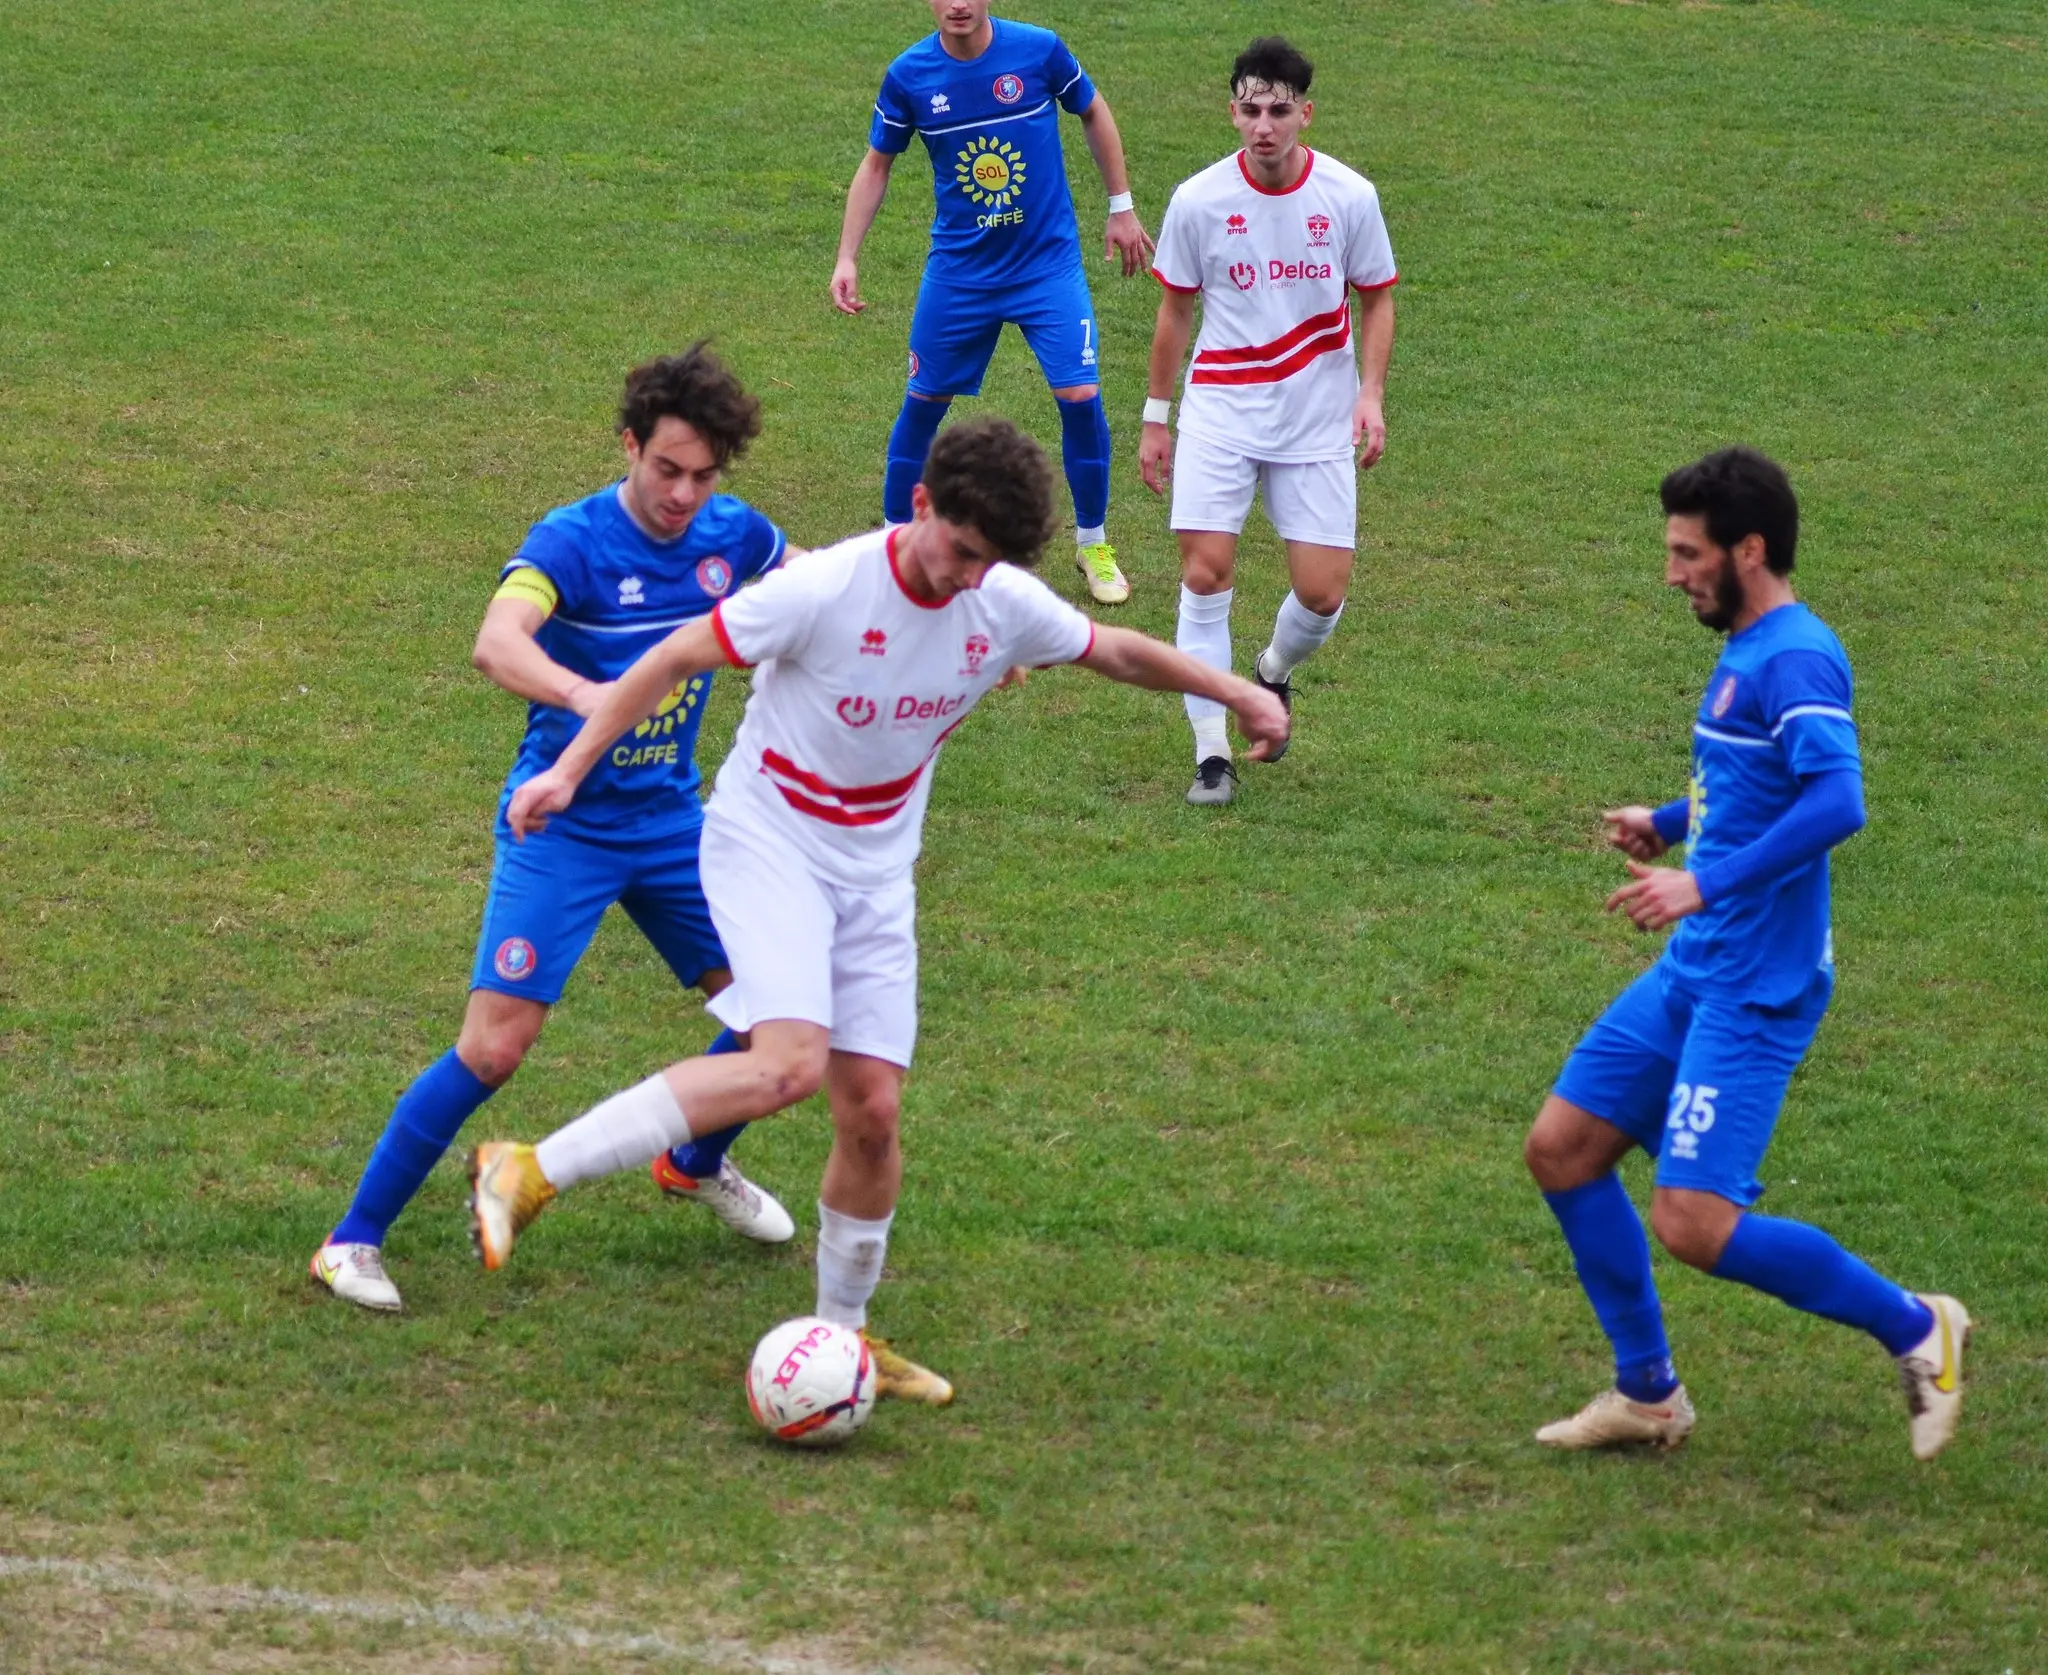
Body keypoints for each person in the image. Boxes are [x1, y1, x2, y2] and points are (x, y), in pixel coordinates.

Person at [464, 416, 1287, 1403]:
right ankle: (528, 1166)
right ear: (922, 505)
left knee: (871, 1112)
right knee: (787, 1065)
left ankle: (843, 1340)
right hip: (766, 842)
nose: (965, 579)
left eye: (988, 566)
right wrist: (565, 768)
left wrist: (1236, 692)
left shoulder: (996, 598)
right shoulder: (824, 588)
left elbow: (1110, 649)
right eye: (958, 552)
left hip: (874, 873)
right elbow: (674, 658)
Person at [310, 346, 801, 1313]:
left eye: (703, 476)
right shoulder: (572, 542)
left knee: (776, 1015)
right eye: (666, 469)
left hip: (672, 822)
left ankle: (694, 1160)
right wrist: (598, 699)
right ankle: (350, 1240)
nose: (683, 495)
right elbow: (496, 641)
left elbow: (819, 590)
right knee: (494, 1048)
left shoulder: (735, 536)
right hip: (563, 822)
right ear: (629, 445)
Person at [1523, 447, 1969, 1459]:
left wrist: (1698, 883)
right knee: (1561, 1149)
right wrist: (1671, 821)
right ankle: (1646, 1396)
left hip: (1753, 985)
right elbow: (1752, 783)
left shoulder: (1795, 655)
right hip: (1694, 968)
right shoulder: (1747, 647)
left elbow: (1836, 801)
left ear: (1748, 549)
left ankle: (1916, 1326)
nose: (1671, 572)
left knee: (1691, 1219)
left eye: (1687, 553)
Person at [1140, 36, 1397, 807]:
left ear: (1305, 115)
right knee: (1204, 573)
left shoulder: (1350, 197)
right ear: (1233, 113)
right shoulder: (1199, 200)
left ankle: (1272, 674)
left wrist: (1371, 394)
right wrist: (1158, 419)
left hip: (1317, 419)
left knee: (1322, 594)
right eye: (1251, 110)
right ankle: (1211, 751)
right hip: (1220, 411)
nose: (1264, 125)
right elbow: (1174, 311)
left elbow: (1377, 296)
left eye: (1279, 110)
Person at [832, 0, 1154, 607]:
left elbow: (1092, 109)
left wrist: (1121, 206)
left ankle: (1093, 544)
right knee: (924, 402)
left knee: (1081, 397)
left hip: (1046, 267)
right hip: (961, 274)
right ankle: (893, 544)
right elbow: (877, 165)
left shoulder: (1038, 50)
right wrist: (848, 255)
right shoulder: (909, 75)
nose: (958, 4)